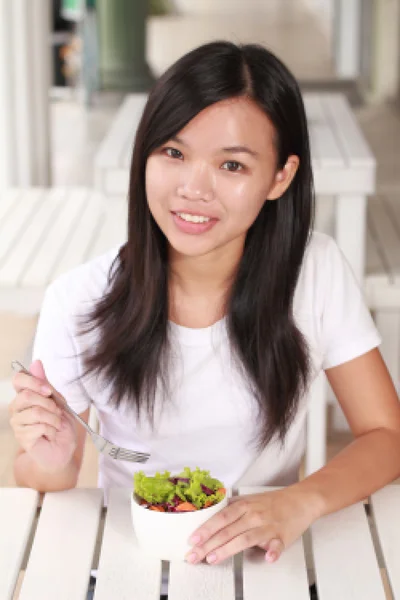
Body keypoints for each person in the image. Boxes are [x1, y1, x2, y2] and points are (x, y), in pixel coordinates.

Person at [9, 41, 400, 599]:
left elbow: (387, 434)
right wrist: (51, 456)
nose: (194, 188)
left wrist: (299, 500)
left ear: (280, 178)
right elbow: (44, 480)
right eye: (173, 152)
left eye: (232, 164)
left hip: (266, 562)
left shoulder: (313, 272)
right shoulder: (78, 299)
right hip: (124, 563)